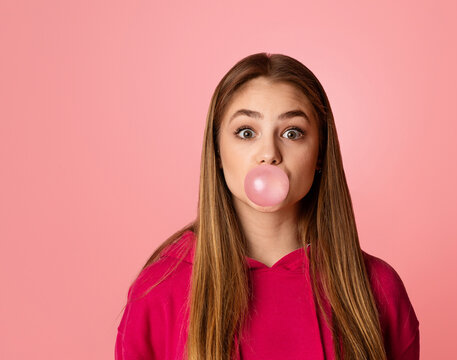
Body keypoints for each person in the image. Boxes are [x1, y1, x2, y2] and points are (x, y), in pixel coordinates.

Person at [115, 53, 420, 360]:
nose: (269, 154)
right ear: (218, 151)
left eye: (292, 133)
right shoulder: (159, 291)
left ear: (319, 153)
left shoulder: (376, 288)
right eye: (246, 133)